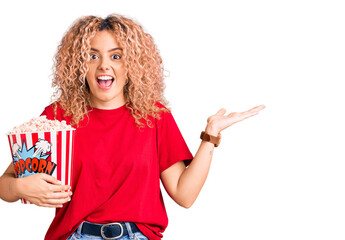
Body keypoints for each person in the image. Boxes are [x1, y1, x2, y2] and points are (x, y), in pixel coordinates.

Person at [0, 14, 265, 240]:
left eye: (116, 56)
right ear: (80, 65)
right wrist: (21, 188)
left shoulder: (154, 116)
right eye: (92, 56)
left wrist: (211, 136)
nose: (104, 65)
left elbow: (184, 195)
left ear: (132, 65)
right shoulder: (57, 117)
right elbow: (6, 184)